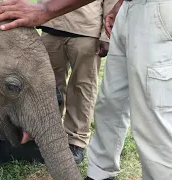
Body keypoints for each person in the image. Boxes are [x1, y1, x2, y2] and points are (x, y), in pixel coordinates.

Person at [0, 0, 172, 179]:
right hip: (129, 8)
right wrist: (121, 4)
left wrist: (46, 9)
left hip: (158, 9)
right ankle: (101, 174)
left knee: (153, 114)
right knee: (111, 103)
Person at [36, 0, 117, 164]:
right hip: (51, 25)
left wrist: (106, 35)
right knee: (47, 86)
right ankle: (51, 138)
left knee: (82, 87)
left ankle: (76, 141)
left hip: (86, 29)